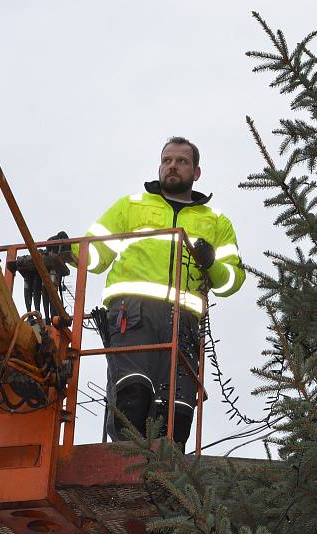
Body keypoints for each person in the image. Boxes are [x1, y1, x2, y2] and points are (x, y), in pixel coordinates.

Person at [72, 136, 245, 448]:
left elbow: (232, 280)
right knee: (133, 394)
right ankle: (124, 465)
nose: (172, 166)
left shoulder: (216, 221)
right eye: (167, 160)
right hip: (133, 315)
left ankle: (167, 480)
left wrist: (211, 264)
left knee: (176, 413)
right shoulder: (132, 206)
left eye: (181, 161)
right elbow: (95, 256)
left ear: (196, 171)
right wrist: (69, 251)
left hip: (186, 326)